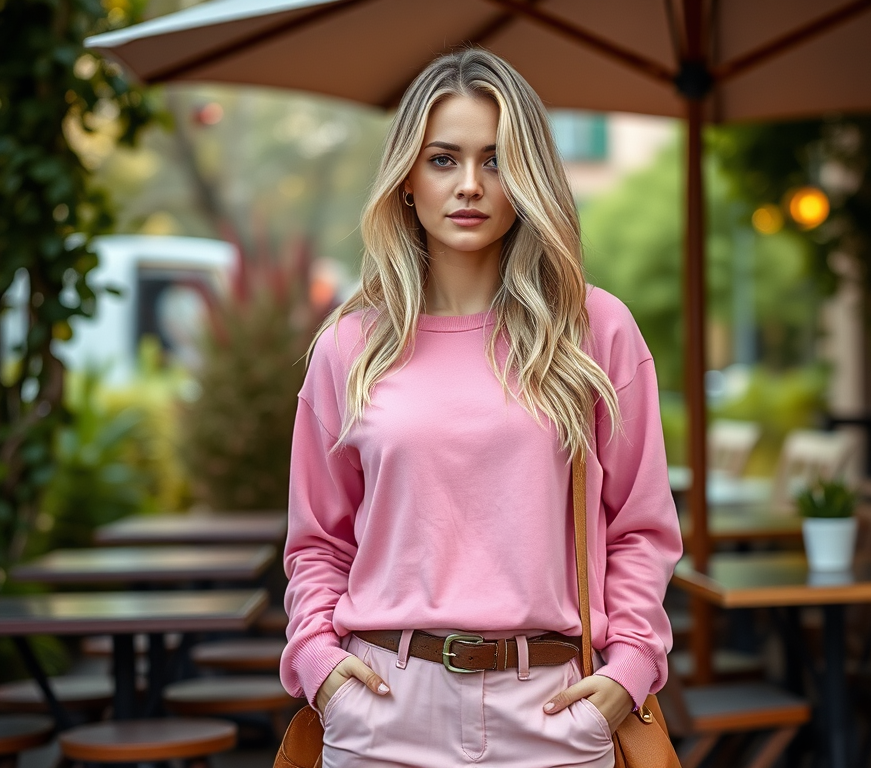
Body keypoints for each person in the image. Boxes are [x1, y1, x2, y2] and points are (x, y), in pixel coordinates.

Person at [280, 48, 683, 768]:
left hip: (555, 713)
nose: (470, 185)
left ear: (527, 178)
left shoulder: (593, 331)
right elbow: (318, 543)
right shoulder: (350, 346)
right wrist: (318, 663)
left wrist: (626, 675)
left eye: (496, 160)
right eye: (443, 159)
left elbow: (641, 531)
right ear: (406, 179)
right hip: (382, 711)